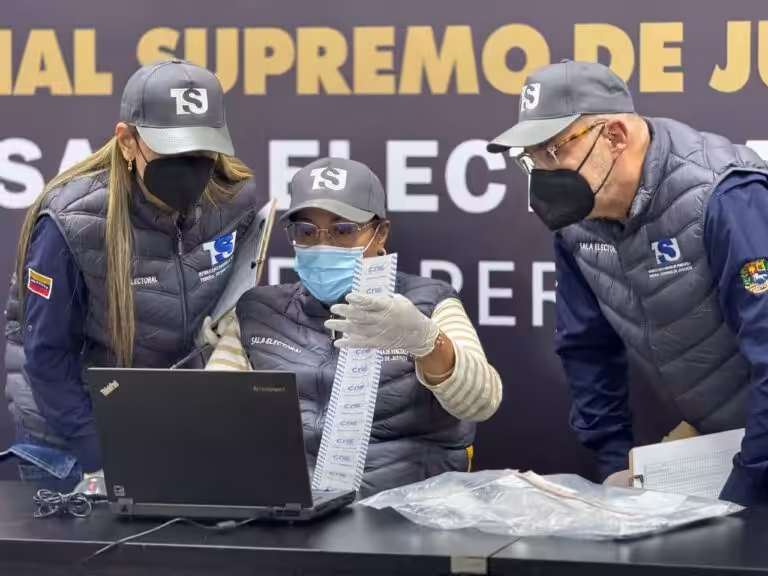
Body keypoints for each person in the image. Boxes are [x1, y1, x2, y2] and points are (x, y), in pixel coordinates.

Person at [487, 59, 768, 506]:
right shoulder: (578, 218)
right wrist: (615, 465)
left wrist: (744, 491)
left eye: (553, 151)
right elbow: (586, 348)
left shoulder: (725, 196)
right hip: (722, 439)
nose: (542, 173)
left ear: (615, 136)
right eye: (531, 157)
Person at [0, 60, 264, 493]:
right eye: (171, 150)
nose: (188, 167)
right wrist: (101, 458)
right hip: (68, 437)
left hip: (167, 429)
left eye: (201, 150)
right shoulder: (71, 221)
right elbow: (48, 358)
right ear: (127, 141)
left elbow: (236, 296)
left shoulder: (234, 201)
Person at [204, 157, 503, 496]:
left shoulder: (429, 302)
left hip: (406, 510)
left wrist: (427, 341)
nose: (323, 245)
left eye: (343, 230)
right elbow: (211, 419)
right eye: (306, 232)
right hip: (291, 509)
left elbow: (482, 401)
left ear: (381, 233)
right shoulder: (258, 312)